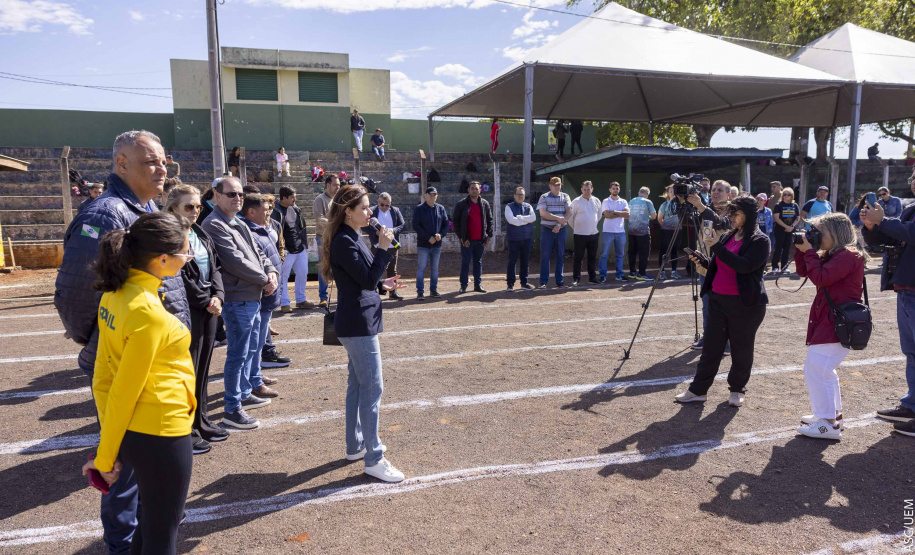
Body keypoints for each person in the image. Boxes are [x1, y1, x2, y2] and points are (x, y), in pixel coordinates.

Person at [55, 129, 190, 553]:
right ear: (122, 164)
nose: (162, 168)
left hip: (150, 358)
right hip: (128, 365)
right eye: (152, 161)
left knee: (141, 485)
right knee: (125, 481)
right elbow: (77, 291)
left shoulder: (144, 207)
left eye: (165, 161)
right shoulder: (107, 213)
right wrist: (100, 341)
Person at [81, 212, 195, 554]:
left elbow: (104, 379)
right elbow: (122, 390)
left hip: (137, 435)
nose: (187, 258)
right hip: (162, 432)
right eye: (185, 252)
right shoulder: (147, 311)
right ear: (163, 259)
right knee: (162, 535)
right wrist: (104, 459)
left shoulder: (115, 295)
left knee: (150, 530)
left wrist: (111, 448)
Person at [322, 183, 406, 482]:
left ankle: (355, 445)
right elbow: (367, 279)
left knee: (358, 386)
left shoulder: (352, 236)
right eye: (365, 208)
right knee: (372, 388)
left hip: (358, 319)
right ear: (348, 212)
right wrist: (383, 249)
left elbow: (365, 279)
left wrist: (384, 284)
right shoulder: (345, 241)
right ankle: (374, 457)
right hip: (357, 323)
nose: (370, 212)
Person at [675, 196, 770, 407]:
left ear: (749, 215)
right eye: (731, 213)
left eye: (736, 213)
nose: (732, 217)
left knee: (741, 349)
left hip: (745, 305)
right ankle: (698, 390)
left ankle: (737, 390)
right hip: (718, 300)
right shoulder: (729, 236)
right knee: (710, 348)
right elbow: (720, 265)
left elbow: (744, 266)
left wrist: (717, 247)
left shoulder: (760, 240)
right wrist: (704, 260)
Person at [202, 176, 278, 431]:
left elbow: (259, 253)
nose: (237, 198)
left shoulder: (237, 222)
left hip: (252, 296)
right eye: (231, 194)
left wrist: (271, 273)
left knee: (249, 350)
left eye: (240, 195)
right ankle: (232, 408)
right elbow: (234, 261)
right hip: (238, 299)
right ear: (217, 194)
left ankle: (244, 392)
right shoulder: (214, 224)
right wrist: (264, 279)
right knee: (238, 354)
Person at [165, 185, 229, 454]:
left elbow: (214, 266)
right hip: (186, 311)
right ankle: (184, 429)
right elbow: (178, 276)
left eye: (198, 207)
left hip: (208, 308)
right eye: (188, 207)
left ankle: (201, 420)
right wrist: (207, 300)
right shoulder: (168, 236)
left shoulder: (199, 231)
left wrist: (219, 296)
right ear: (172, 209)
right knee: (186, 371)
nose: (195, 211)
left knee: (202, 368)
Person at [794, 213, 865, 440]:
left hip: (838, 321)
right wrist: (802, 248)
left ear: (834, 233)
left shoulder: (848, 255)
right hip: (832, 319)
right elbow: (804, 271)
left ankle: (827, 424)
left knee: (816, 369)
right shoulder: (836, 254)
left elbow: (821, 277)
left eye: (819, 232)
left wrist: (810, 252)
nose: (816, 236)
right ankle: (832, 415)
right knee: (824, 371)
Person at [861, 176, 915, 438]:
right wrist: (871, 226)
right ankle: (912, 406)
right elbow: (888, 242)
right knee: (912, 353)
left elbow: (910, 233)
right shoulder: (910, 209)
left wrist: (883, 220)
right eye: (914, 178)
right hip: (906, 289)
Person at [238, 193, 283, 400]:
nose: (268, 213)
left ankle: (255, 376)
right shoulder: (247, 230)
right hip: (261, 293)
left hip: (267, 293)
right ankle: (253, 382)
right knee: (254, 344)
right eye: (265, 209)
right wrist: (268, 280)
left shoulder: (258, 228)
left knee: (257, 341)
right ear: (251, 211)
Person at [272, 185, 314, 311]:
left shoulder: (295, 209)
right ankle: (284, 303)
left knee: (303, 273)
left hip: (299, 249)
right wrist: (281, 249)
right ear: (283, 198)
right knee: (283, 277)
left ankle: (301, 300)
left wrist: (304, 243)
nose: (294, 200)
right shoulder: (276, 212)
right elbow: (275, 232)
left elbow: (301, 227)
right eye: (292, 198)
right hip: (286, 251)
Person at [453, 180, 493, 294]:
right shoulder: (461, 204)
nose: (474, 190)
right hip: (467, 240)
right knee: (465, 262)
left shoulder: (484, 203)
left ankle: (477, 285)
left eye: (476, 188)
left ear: (480, 190)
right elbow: (456, 222)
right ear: (468, 190)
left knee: (478, 262)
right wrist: (461, 238)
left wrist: (488, 237)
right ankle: (463, 286)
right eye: (472, 188)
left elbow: (489, 220)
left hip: (480, 240)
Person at [366, 192, 405, 300]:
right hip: (377, 245)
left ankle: (393, 292)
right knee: (374, 269)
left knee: (392, 270)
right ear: (378, 201)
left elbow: (402, 225)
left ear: (390, 203)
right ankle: (372, 291)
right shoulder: (372, 211)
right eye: (382, 204)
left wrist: (393, 230)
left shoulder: (395, 211)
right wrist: (376, 233)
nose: (384, 207)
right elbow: (364, 226)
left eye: (387, 205)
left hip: (392, 245)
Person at [412, 187, 449, 300]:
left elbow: (446, 224)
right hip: (423, 244)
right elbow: (416, 226)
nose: (432, 197)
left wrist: (440, 235)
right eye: (430, 194)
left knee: (435, 268)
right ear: (425, 195)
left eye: (434, 195)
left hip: (436, 245)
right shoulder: (419, 209)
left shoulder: (441, 209)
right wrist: (428, 237)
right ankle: (420, 292)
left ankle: (433, 290)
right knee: (421, 268)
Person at [537, 176, 572, 288]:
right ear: (550, 186)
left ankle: (559, 281)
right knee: (545, 256)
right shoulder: (544, 197)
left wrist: (558, 224)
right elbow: (543, 213)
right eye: (555, 185)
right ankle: (543, 281)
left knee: (560, 255)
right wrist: (558, 219)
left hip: (561, 230)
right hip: (547, 230)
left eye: (559, 185)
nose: (557, 187)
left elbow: (569, 212)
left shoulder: (565, 196)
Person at [311, 177, 339, 307]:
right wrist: (333, 225)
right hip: (323, 237)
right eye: (335, 185)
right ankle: (323, 297)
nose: (338, 187)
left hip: (336, 237)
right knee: (324, 266)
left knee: (338, 265)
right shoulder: (319, 199)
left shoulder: (337, 200)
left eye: (339, 185)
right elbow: (319, 218)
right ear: (328, 185)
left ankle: (341, 294)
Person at [568, 180, 602, 286]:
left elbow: (599, 215)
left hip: (594, 234)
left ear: (592, 189)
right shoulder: (576, 201)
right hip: (579, 234)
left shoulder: (596, 201)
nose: (586, 191)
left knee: (592, 257)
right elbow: (570, 217)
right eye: (584, 189)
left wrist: (592, 225)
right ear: (581, 190)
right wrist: (577, 228)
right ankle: (576, 279)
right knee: (578, 257)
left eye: (588, 189)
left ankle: (592, 277)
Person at [504, 186, 536, 291]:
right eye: (518, 194)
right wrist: (526, 220)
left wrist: (521, 218)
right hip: (514, 239)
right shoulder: (509, 206)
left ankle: (524, 283)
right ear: (514, 196)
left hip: (526, 238)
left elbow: (533, 218)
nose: (520, 196)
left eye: (522, 194)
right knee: (512, 261)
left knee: (525, 261)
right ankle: (510, 284)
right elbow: (511, 220)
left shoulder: (528, 206)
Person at [599, 182, 630, 282]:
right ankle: (603, 276)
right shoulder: (605, 201)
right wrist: (620, 213)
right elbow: (607, 215)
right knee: (604, 254)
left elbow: (627, 215)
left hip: (620, 232)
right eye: (613, 188)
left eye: (616, 188)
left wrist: (614, 211)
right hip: (608, 231)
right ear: (610, 190)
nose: (615, 190)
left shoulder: (623, 201)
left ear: (619, 189)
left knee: (620, 255)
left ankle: (619, 275)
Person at [627, 186, 657, 280]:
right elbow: (654, 216)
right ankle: (642, 273)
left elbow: (627, 214)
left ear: (639, 192)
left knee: (632, 252)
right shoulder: (647, 201)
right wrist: (647, 217)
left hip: (631, 230)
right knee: (644, 253)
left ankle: (632, 272)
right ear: (647, 194)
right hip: (643, 231)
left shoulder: (631, 201)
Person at [771, 187, 800, 274]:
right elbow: (776, 218)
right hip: (780, 230)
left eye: (788, 195)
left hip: (790, 230)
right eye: (784, 194)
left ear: (792, 196)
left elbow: (798, 218)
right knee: (778, 248)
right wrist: (786, 227)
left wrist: (791, 227)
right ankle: (775, 267)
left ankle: (784, 267)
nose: (786, 196)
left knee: (787, 248)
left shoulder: (795, 205)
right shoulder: (778, 205)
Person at [656, 185, 682, 281]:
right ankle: (662, 272)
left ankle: (674, 271)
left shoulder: (681, 205)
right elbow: (659, 218)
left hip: (678, 230)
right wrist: (666, 227)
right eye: (670, 191)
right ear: (667, 192)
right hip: (665, 231)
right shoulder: (664, 205)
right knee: (664, 251)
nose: (672, 192)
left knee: (675, 250)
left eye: (674, 191)